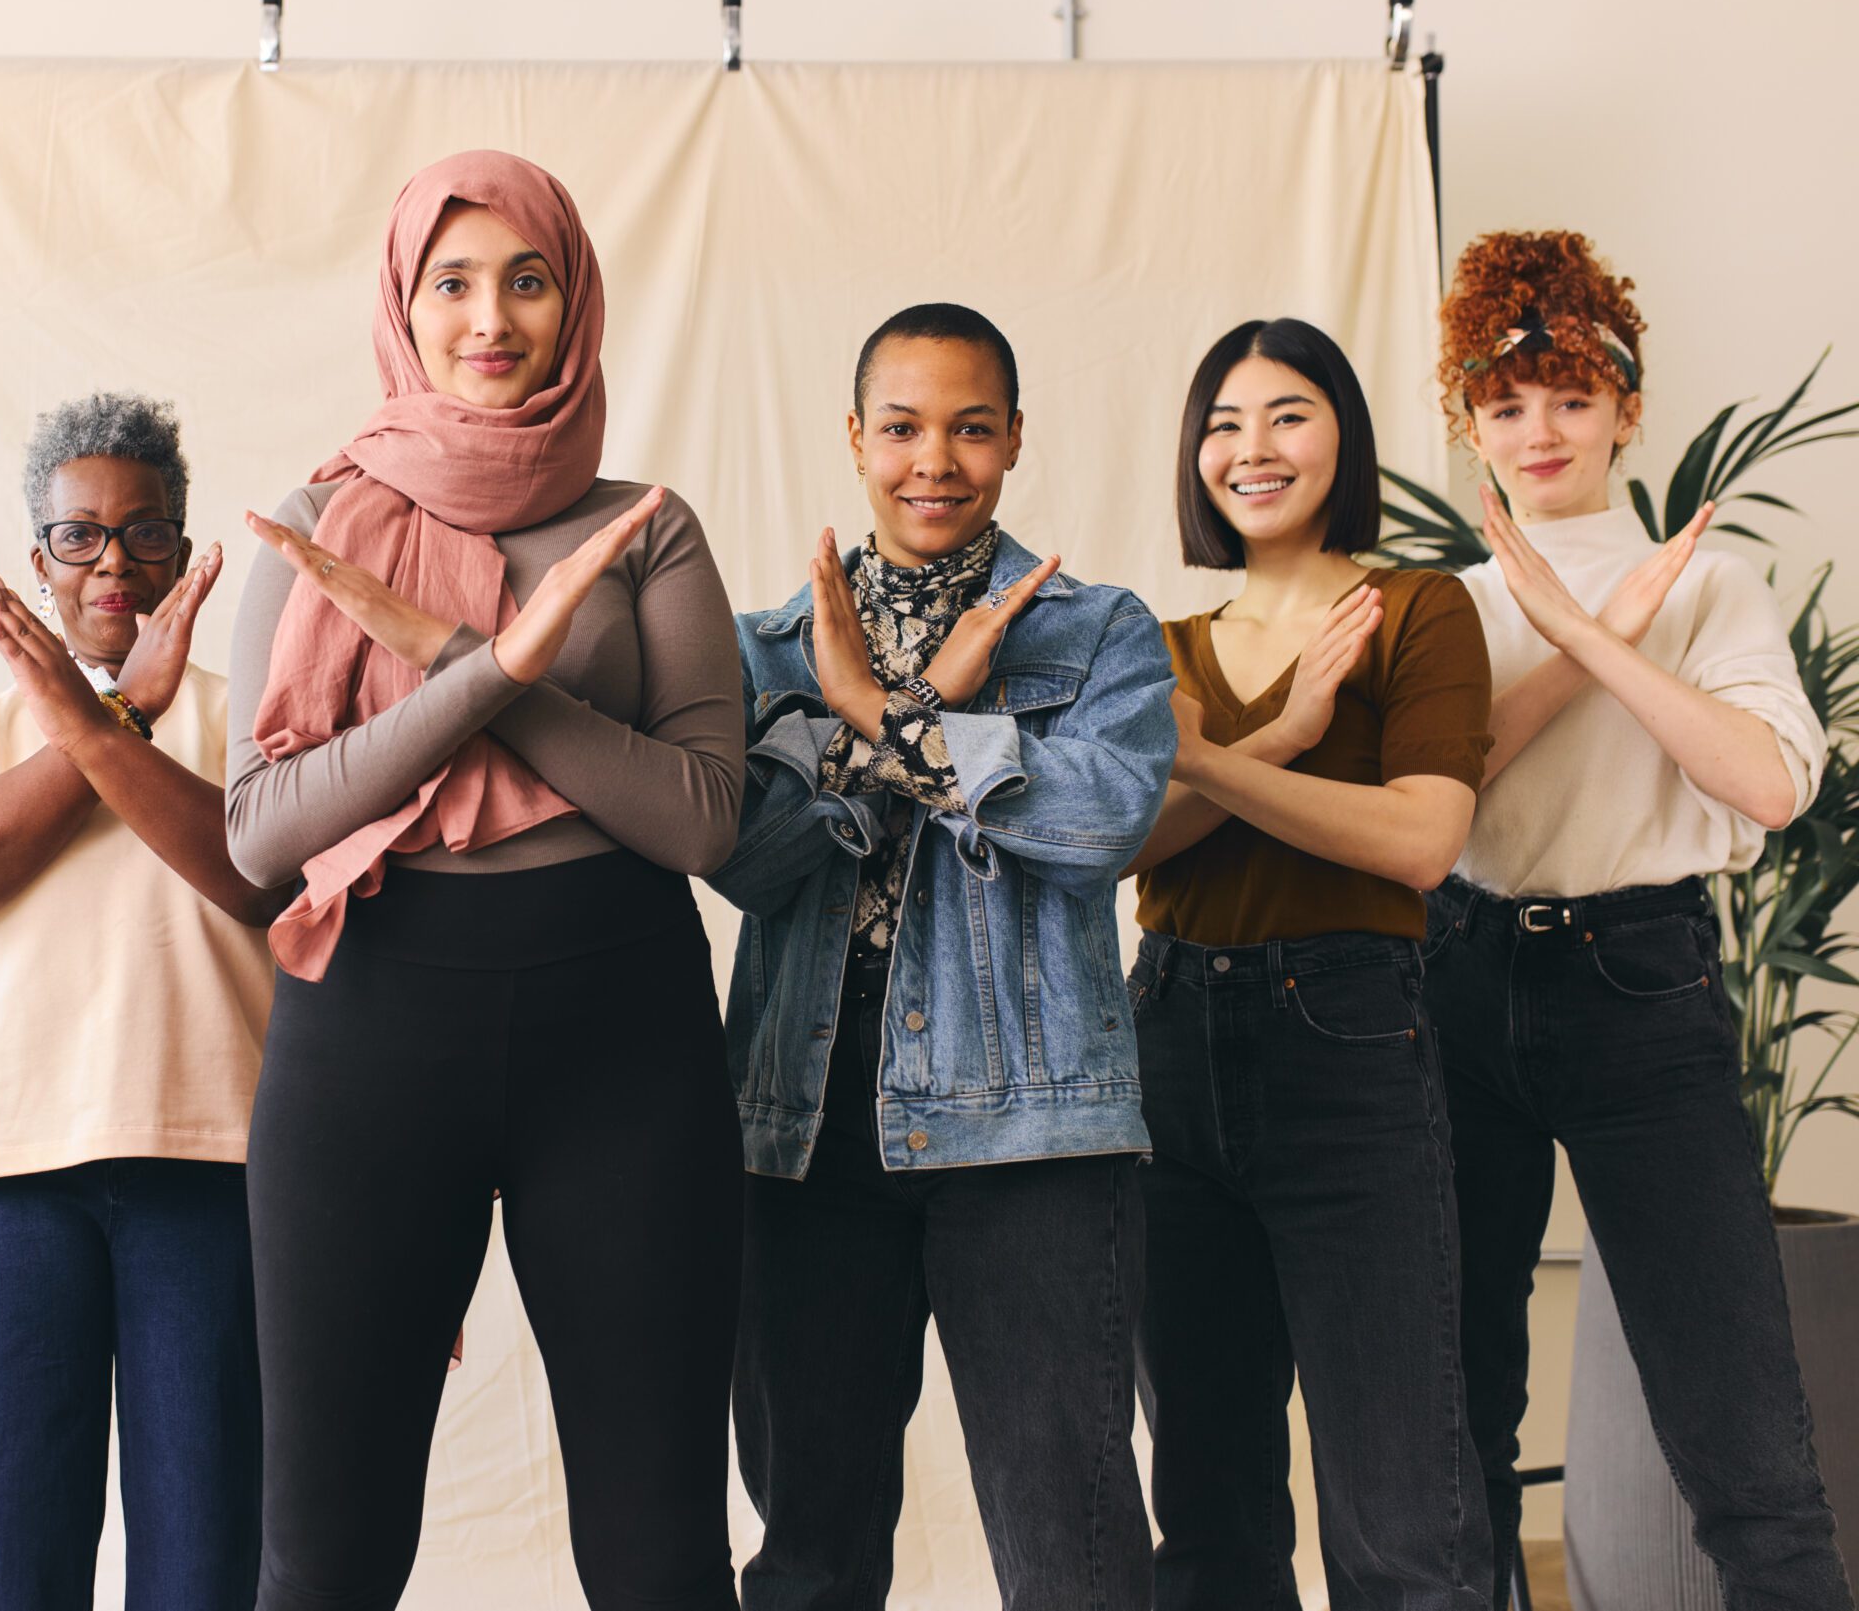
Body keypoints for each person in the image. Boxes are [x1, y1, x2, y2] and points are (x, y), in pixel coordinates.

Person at [226, 149, 745, 1611]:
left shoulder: (645, 525)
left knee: (659, 1557)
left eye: (528, 279)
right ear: (404, 301)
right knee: (322, 1556)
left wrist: (469, 662)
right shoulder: (317, 523)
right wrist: (504, 673)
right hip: (371, 1030)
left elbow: (703, 819)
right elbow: (260, 835)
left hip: (623, 1031)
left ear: (574, 297)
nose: (490, 317)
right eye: (452, 281)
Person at [711, 302, 1174, 1608]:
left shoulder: (1096, 632)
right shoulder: (767, 649)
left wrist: (874, 723)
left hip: (1033, 1136)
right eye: (905, 427)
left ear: (1016, 438)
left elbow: (1099, 824)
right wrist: (914, 731)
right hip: (803, 1129)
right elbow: (746, 860)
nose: (937, 460)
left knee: (1072, 1550)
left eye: (972, 427)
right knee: (810, 1551)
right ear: (855, 438)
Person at [1423, 230, 1851, 1610]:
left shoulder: (1707, 584)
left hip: (1643, 986)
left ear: (1626, 408)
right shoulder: (1446, 608)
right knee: (1457, 1416)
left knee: (1740, 1428)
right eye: (1505, 404)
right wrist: (1574, 632)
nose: (1538, 431)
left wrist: (1611, 631)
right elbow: (1434, 805)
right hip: (1456, 980)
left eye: (1568, 396)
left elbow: (1772, 786)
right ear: (1468, 423)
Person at [0, 393, 283, 1610]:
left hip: (213, 1171)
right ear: (36, 557)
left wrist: (134, 716)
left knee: (205, 1569)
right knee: (9, 1574)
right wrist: (118, 714)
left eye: (145, 531)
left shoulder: (254, 710)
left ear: (181, 546)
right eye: (79, 534)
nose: (114, 559)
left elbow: (262, 882)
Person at [1125, 317, 1494, 1610]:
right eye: (1223, 422)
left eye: (1288, 413)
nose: (1252, 448)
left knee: (1399, 1507)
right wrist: (1280, 738)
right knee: (1209, 1503)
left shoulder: (1417, 609)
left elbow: (1421, 840)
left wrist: (1220, 759)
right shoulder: (1158, 642)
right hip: (1164, 1042)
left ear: (1344, 433)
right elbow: (1132, 850)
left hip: (1348, 1042)